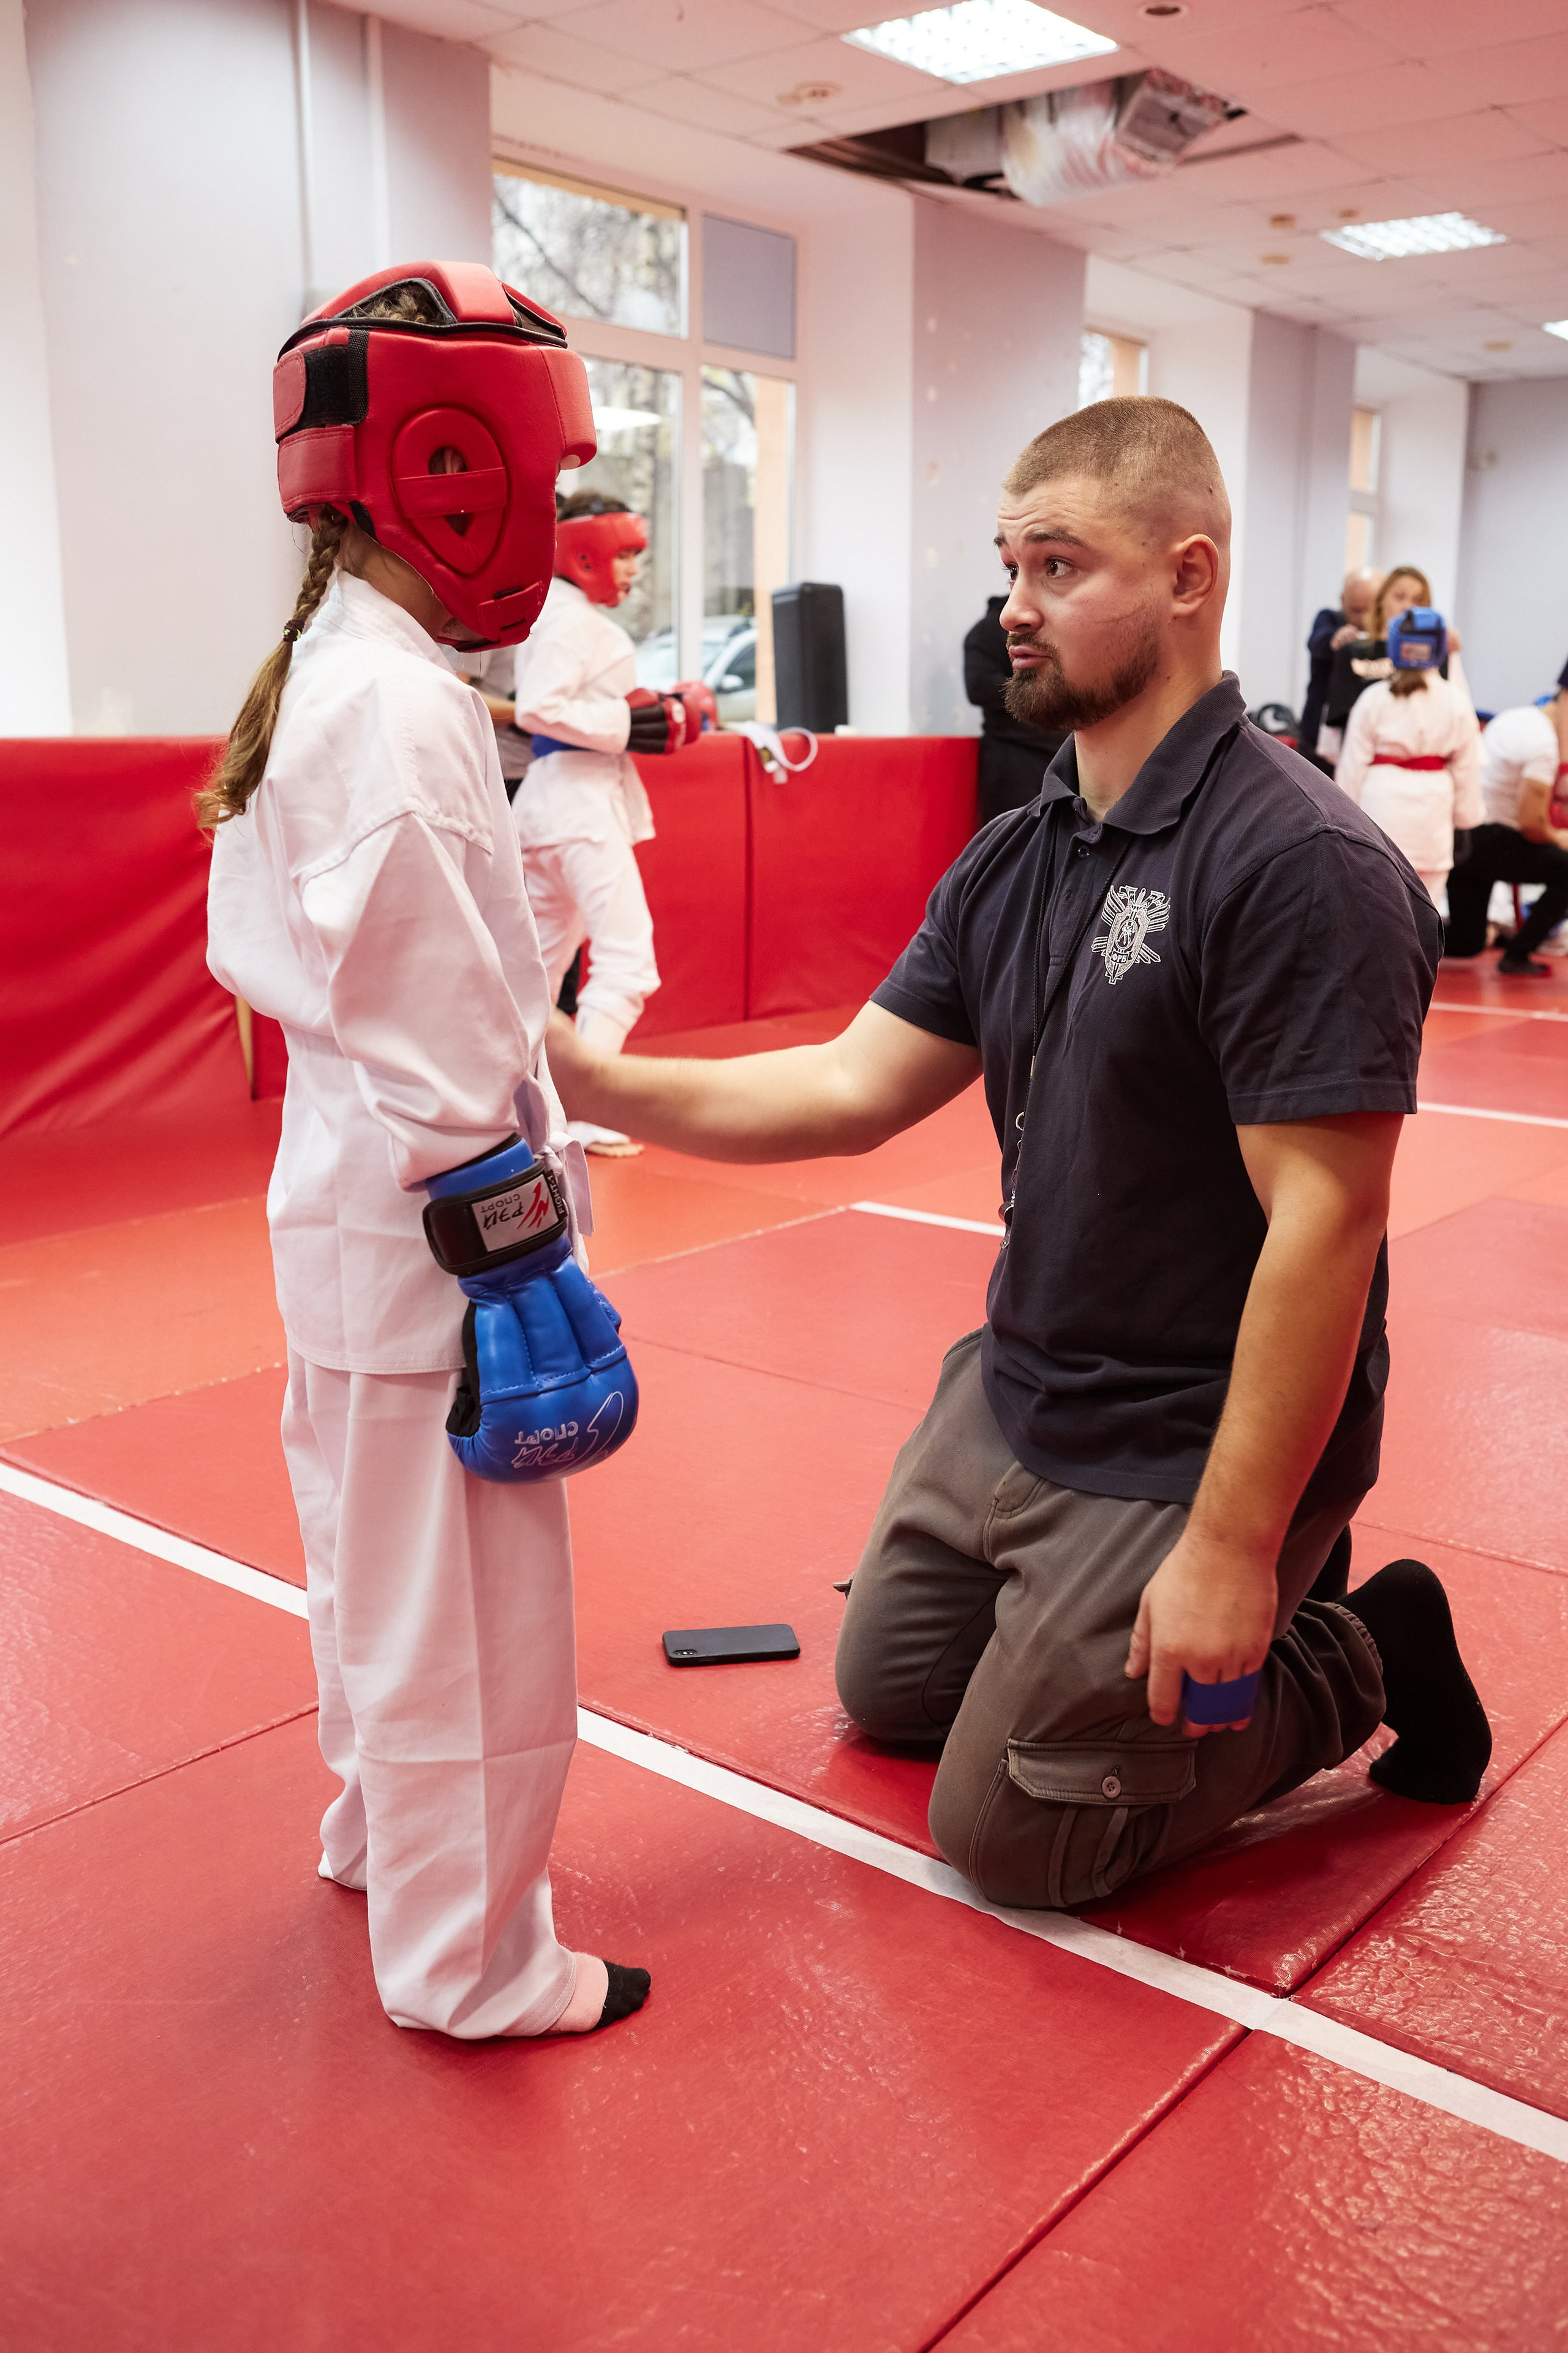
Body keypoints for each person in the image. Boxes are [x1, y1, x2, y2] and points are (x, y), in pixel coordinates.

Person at [548, 397, 1491, 1914]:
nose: (1013, 610)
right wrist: (585, 1071)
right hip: (1025, 1379)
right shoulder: (1021, 849)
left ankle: (1353, 1637)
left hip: (1186, 1431)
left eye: (1058, 566)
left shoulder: (1294, 865)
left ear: (1187, 578)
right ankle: (1109, 1637)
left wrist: (1232, 1546)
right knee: (891, 1686)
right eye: (1008, 566)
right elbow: (850, 1084)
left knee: (1015, 1838)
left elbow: (1326, 1224)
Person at [203, 264, 649, 2039]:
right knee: (472, 1617)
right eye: (534, 490)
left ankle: (385, 1840)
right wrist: (523, 1252)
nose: (540, 525)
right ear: (442, 467)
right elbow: (438, 1034)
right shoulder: (387, 707)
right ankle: (478, 1965)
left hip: (347, 1209)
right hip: (427, 1228)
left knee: (373, 1577)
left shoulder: (342, 663)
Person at [511, 493, 709, 1158]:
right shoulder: (573, 623)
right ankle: (588, 1109)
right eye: (622, 554)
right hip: (577, 806)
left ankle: (508, 1104)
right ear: (584, 548)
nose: (629, 571)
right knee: (627, 963)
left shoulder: (560, 616)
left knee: (534, 971)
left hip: (548, 806)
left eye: (635, 558)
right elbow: (539, 708)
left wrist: (641, 714)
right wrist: (630, 724)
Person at [1335, 606, 1482, 911]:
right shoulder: (1456, 700)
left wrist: (1342, 823)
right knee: (1426, 909)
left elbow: (1351, 770)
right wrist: (1466, 820)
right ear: (1440, 648)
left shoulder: (1374, 698)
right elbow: (1468, 768)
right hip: (1433, 813)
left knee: (1377, 906)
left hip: (1380, 806)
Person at [1445, 687, 1568, 973]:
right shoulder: (1544, 746)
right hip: (1493, 840)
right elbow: (1533, 826)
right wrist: (1561, 838)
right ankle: (1518, 954)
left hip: (1463, 836)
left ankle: (1389, 941)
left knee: (1468, 942)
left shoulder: (1515, 718)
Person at [964, 593, 1066, 822]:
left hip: (1056, 748)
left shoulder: (1050, 630)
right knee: (1015, 836)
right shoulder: (985, 632)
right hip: (1011, 754)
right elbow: (979, 687)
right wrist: (1037, 692)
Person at [1300, 567, 1380, 772]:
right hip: (1320, 742)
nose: (1362, 619)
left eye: (1369, 610)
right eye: (1356, 610)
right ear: (1343, 601)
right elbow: (1317, 642)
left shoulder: (1387, 634)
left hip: (1368, 745)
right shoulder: (1328, 619)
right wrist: (1336, 639)